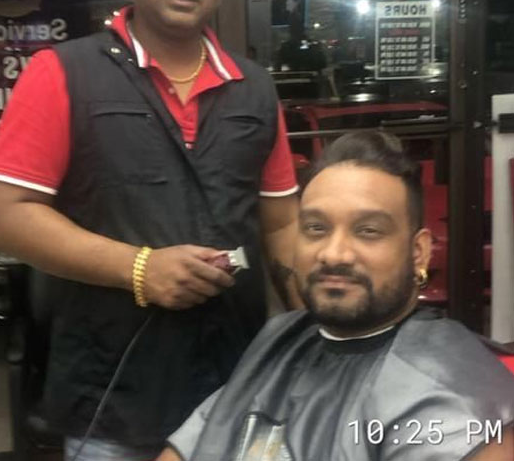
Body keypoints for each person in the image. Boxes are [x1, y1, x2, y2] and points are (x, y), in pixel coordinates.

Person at [0, 0, 300, 460]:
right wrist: (139, 268)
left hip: (235, 392)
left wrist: (317, 333)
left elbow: (281, 225)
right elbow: (4, 217)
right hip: (111, 404)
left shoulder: (255, 90)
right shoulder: (63, 74)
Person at [158, 131, 514, 461]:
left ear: (417, 252)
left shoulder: (453, 395)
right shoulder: (278, 341)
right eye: (316, 228)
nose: (333, 253)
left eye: (368, 231)